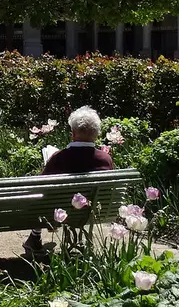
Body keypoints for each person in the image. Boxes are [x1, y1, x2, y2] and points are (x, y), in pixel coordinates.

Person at [23, 106, 114, 254]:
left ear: (73, 133)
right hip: (91, 212)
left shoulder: (59, 157)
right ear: (96, 134)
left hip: (59, 212)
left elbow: (40, 186)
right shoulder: (105, 159)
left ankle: (35, 235)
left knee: (40, 197)